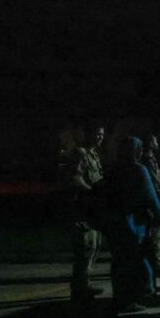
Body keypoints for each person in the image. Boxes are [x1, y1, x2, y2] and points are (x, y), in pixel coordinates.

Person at [102, 136, 160, 314]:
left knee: (118, 262)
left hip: (112, 223)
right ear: (137, 151)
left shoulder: (113, 170)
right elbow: (151, 197)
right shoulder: (139, 170)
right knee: (133, 262)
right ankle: (129, 300)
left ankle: (119, 298)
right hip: (132, 224)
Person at [68, 125, 106, 301]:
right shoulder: (80, 153)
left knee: (94, 246)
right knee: (84, 248)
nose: (99, 137)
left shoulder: (94, 154)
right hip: (82, 208)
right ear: (88, 133)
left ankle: (85, 284)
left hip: (93, 209)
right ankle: (78, 290)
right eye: (96, 133)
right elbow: (74, 178)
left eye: (102, 134)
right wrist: (91, 191)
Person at [142, 133, 160, 277]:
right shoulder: (148, 159)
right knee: (156, 235)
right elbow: (155, 182)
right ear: (151, 143)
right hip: (153, 202)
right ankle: (158, 266)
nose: (157, 143)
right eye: (155, 141)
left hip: (152, 201)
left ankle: (154, 265)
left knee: (154, 234)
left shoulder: (147, 159)